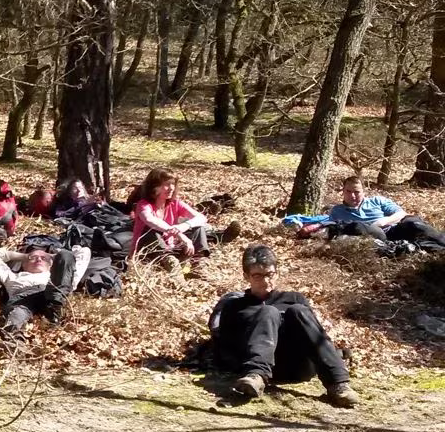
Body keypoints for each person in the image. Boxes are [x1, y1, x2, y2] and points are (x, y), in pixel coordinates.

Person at [209, 245, 357, 407]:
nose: (265, 281)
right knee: (268, 312)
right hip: (255, 369)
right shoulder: (235, 306)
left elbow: (314, 335)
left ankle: (339, 384)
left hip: (298, 365)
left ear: (277, 273)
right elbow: (226, 347)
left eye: (270, 274)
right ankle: (256, 376)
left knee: (298, 311)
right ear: (246, 276)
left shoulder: (294, 299)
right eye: (257, 276)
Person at [314, 176, 445, 251]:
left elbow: (400, 213)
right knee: (359, 226)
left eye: (357, 192)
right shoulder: (337, 211)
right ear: (343, 191)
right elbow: (331, 231)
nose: (352, 196)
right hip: (373, 238)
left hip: (393, 230)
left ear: (364, 191)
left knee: (414, 224)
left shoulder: (377, 201)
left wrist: (384, 221)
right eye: (348, 191)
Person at [0, 240, 90, 336]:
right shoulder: (11, 276)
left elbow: (84, 252)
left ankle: (54, 312)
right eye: (33, 258)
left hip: (52, 294)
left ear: (50, 265)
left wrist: (52, 256)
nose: (39, 259)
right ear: (24, 264)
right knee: (15, 317)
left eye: (43, 258)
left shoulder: (61, 277)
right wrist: (25, 256)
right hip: (22, 299)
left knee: (65, 255)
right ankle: (15, 342)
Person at [131, 167, 213, 265]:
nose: (171, 188)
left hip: (171, 248)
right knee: (151, 230)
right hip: (148, 252)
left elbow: (201, 218)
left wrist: (184, 226)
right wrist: (179, 234)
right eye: (166, 184)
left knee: (198, 228)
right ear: (154, 187)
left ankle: (197, 261)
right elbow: (150, 220)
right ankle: (168, 262)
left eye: (173, 184)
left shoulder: (175, 203)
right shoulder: (143, 205)